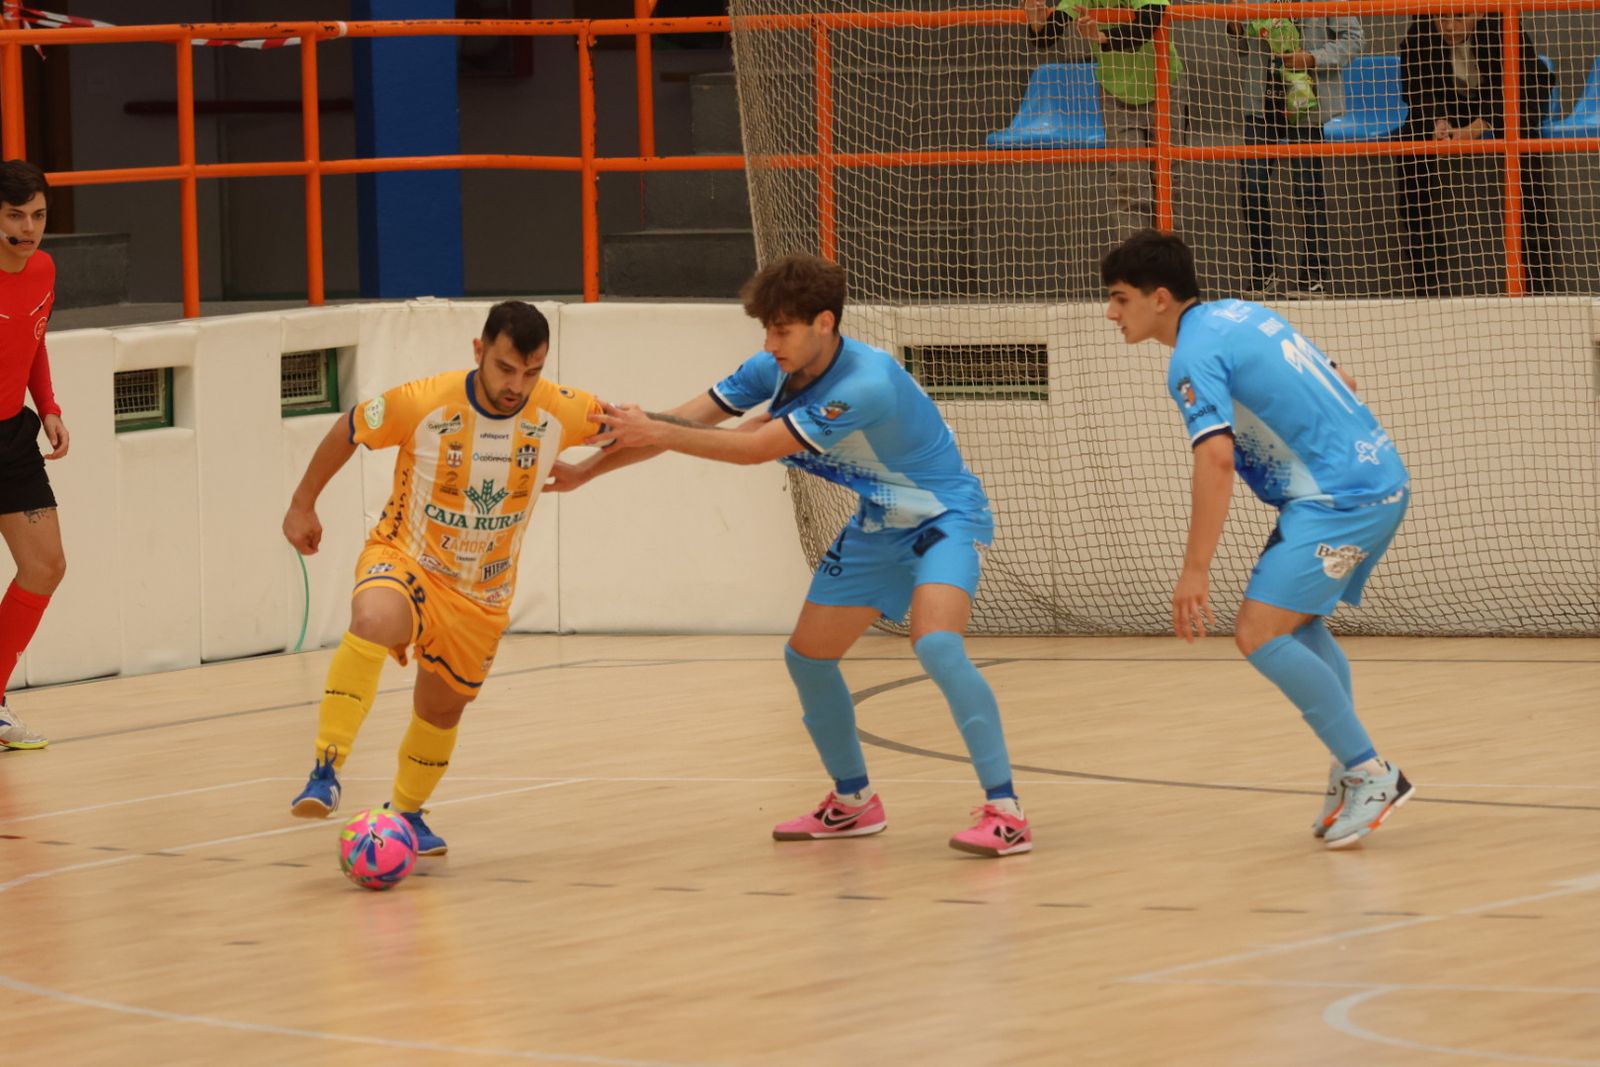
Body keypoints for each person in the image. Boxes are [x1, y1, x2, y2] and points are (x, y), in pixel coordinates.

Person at [555, 254, 1031, 857]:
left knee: (936, 644)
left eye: (782, 329)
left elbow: (751, 450)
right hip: (879, 523)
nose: (769, 341)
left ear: (824, 323)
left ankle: (1006, 811)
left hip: (942, 517)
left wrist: (656, 429)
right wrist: (588, 469)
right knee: (808, 659)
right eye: (766, 329)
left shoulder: (866, 384)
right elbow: (685, 422)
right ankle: (854, 803)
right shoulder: (770, 368)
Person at [1100, 229, 1413, 849]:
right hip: (1357, 483)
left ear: (1160, 298)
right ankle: (1350, 769)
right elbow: (1342, 378)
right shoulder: (1244, 313)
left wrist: (1195, 570)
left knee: (1256, 632)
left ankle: (1371, 772)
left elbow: (1215, 459)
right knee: (1296, 626)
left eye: (1119, 298)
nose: (1110, 313)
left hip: (1343, 499)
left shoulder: (1190, 358)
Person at [282, 301, 604, 854]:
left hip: (483, 596)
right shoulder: (425, 401)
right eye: (505, 368)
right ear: (479, 351)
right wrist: (302, 504)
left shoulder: (561, 410)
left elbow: (640, 433)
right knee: (374, 616)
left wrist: (585, 471)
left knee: (442, 707)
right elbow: (351, 427)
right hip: (408, 559)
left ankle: (406, 814)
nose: (516, 385)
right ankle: (325, 769)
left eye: (531, 372)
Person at [1398, 11, 1555, 295]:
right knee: (1408, 142)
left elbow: (1520, 86)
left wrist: (1479, 126)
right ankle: (1425, 276)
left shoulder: (1503, 24)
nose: (1448, 26)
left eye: (1459, 17)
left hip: (1509, 104)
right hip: (1453, 106)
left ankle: (1537, 279)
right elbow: (1415, 91)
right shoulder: (1419, 32)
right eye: (1441, 17)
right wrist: (1437, 122)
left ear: (1480, 12)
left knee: (1524, 141)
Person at [0, 160, 68, 751]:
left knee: (46, 565)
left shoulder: (44, 268)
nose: (29, 228)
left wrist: (48, 407)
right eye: (15, 216)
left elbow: (35, 340)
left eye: (38, 215)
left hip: (13, 440)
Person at [1228, 8, 1365, 296]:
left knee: (1307, 190)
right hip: (1260, 105)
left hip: (1305, 105)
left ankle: (1314, 275)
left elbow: (1354, 39)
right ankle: (1263, 271)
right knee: (1251, 186)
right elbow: (1241, 49)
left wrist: (1313, 58)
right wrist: (1235, 26)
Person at [1022, 0, 1183, 240]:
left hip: (1164, 88)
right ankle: (1135, 268)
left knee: (1167, 183)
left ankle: (1168, 265)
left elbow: (1146, 26)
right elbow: (1048, 35)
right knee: (1127, 183)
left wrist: (1101, 36)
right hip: (1115, 94)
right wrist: (1037, 24)